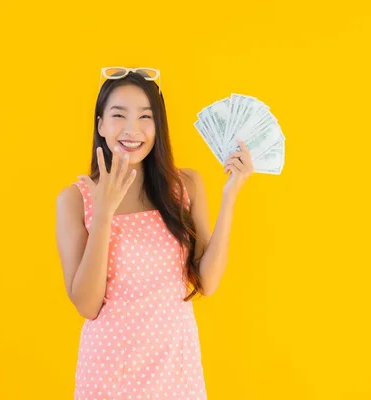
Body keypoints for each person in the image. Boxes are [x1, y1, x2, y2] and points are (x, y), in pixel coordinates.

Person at [55, 67, 253, 400]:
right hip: (109, 371)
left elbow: (208, 281)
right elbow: (87, 306)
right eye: (119, 114)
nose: (132, 129)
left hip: (176, 367)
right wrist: (103, 215)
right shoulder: (77, 199)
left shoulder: (184, 186)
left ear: (157, 127)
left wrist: (231, 194)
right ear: (101, 124)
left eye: (145, 117)